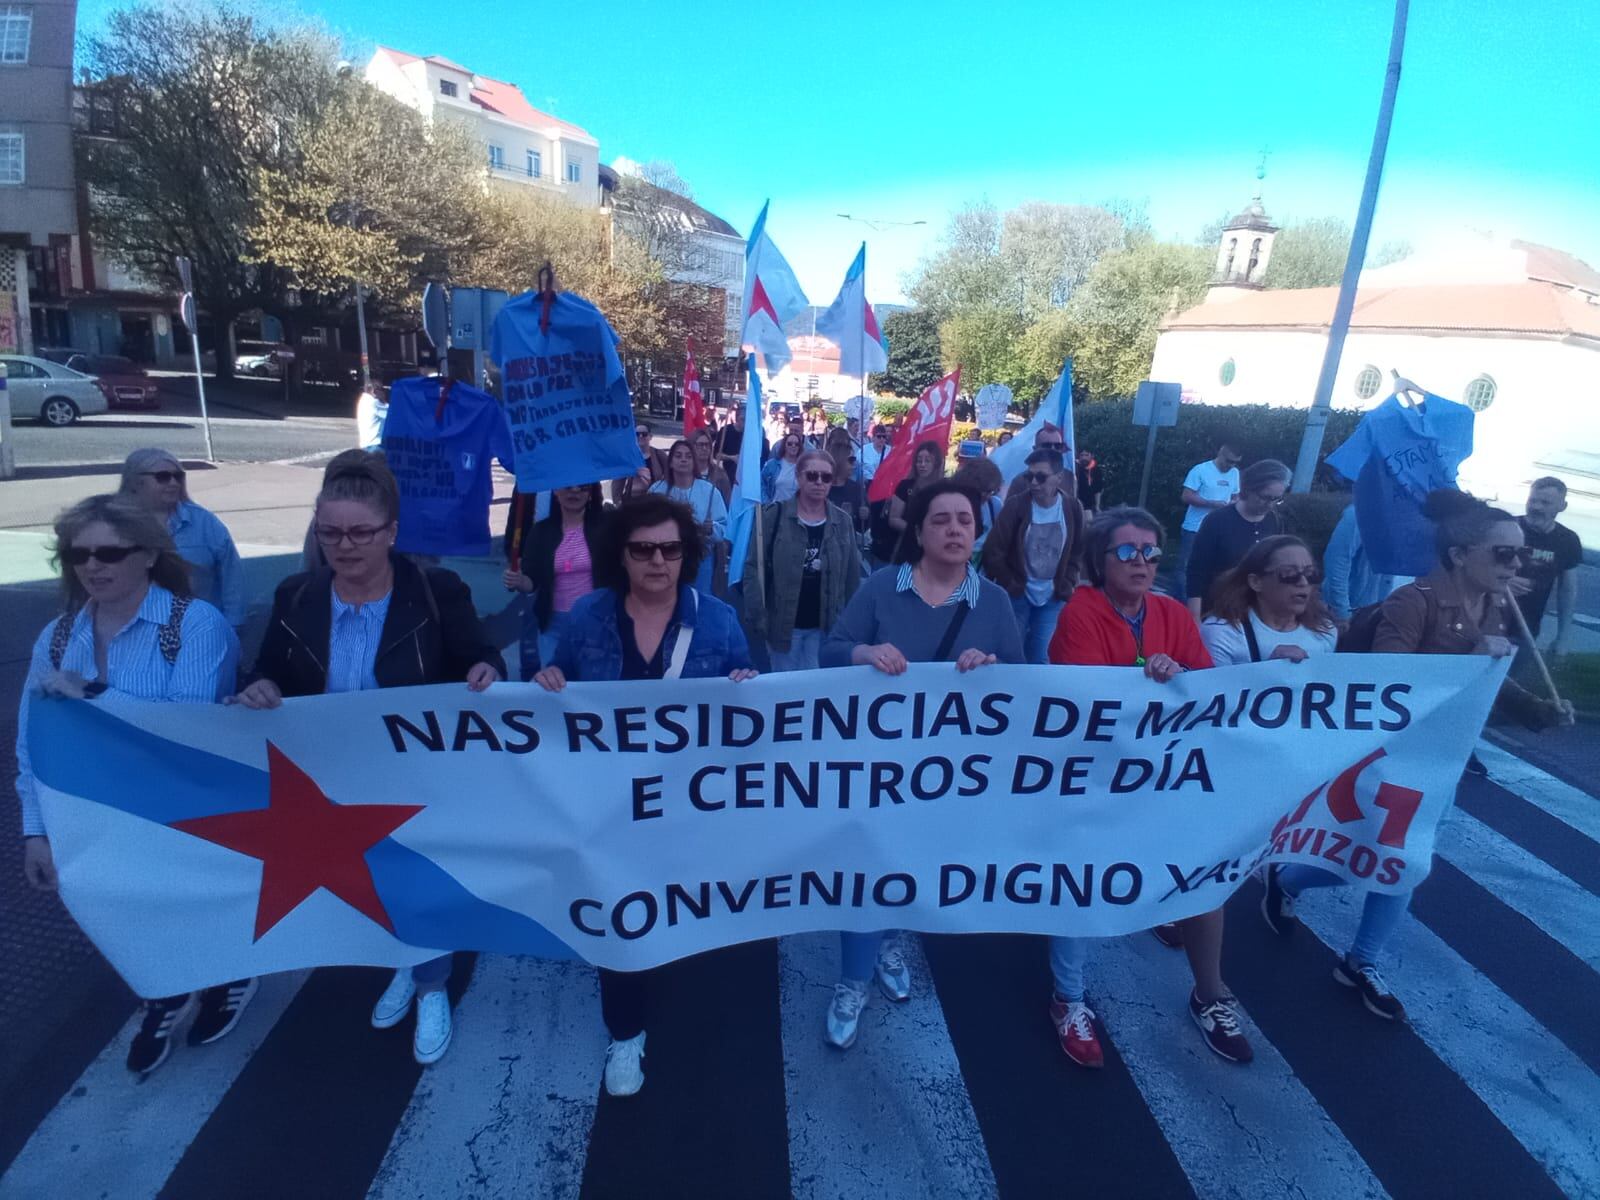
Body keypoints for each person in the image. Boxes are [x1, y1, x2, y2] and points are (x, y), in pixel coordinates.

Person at [230, 455, 504, 1065]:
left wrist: (489, 670)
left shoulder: (436, 592)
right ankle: (402, 966)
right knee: (369, 883)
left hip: (416, 775)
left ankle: (432, 985)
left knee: (418, 881)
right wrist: (258, 686)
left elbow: (478, 655)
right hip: (328, 779)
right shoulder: (296, 595)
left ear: (392, 532)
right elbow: (270, 667)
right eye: (330, 533)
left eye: (360, 533)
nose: (344, 546)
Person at [1261, 490, 1572, 1022]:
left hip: (1438, 762)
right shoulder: (1414, 602)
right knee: (1374, 855)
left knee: (1404, 860)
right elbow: (1389, 685)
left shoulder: (1495, 604)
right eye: (1503, 553)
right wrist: (1470, 659)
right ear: (1459, 554)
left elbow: (1486, 685)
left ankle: (1359, 961)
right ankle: (1289, 880)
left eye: (1518, 554)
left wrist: (1539, 711)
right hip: (1386, 759)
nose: (1516, 564)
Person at [17, 494, 250, 1076]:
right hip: (95, 812)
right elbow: (31, 744)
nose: (93, 565)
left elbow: (185, 732)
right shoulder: (55, 637)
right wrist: (34, 830)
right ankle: (165, 994)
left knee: (196, 901)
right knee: (128, 910)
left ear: (148, 555)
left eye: (110, 552)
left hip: (184, 806)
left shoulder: (193, 625)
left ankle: (229, 977)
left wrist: (92, 695)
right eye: (79, 553)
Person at [532, 495, 757, 1096]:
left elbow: (750, 701)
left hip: (691, 806)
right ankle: (625, 1032)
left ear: (688, 555)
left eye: (671, 549)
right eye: (643, 549)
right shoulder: (586, 618)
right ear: (621, 555)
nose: (658, 560)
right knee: (620, 916)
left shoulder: (718, 621)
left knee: (684, 910)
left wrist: (745, 685)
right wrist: (549, 682)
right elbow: (559, 690)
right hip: (610, 809)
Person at [1046, 507, 1253, 1067]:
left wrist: (1178, 677)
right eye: (1128, 551)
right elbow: (1086, 700)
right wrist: (1151, 681)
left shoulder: (1171, 613)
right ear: (1100, 560)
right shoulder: (1081, 613)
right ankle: (1069, 999)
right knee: (1081, 880)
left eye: (1151, 552)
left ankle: (1210, 995)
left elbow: (1204, 683)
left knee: (1202, 872)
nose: (1142, 562)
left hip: (1165, 773)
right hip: (1096, 777)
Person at [820, 480, 1023, 1048]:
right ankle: (853, 979)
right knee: (867, 868)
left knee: (916, 863)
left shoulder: (995, 602)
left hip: (948, 772)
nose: (956, 529)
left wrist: (992, 666)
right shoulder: (883, 587)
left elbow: (1020, 680)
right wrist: (863, 653)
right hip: (878, 765)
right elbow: (832, 650)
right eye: (942, 519)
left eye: (966, 518)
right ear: (920, 530)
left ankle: (889, 944)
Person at [743, 449, 862, 671]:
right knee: (785, 692)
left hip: (826, 627)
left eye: (826, 477)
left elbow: (851, 577)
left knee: (817, 693)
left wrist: (851, 623)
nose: (819, 482)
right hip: (784, 626)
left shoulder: (843, 522)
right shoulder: (773, 515)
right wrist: (759, 616)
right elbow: (753, 567)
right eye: (812, 475)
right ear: (798, 476)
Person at [120, 448, 244, 629]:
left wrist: (233, 627)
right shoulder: (112, 523)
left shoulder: (204, 522)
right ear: (135, 482)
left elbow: (232, 578)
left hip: (198, 629)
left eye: (178, 476)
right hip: (132, 631)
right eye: (163, 477)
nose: (173, 483)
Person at [982, 449, 1086, 664]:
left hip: (1052, 595)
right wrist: (1010, 584)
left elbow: (1077, 550)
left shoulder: (1072, 507)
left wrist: (1067, 582)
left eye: (1041, 477)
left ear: (1059, 478)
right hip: (1018, 594)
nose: (1034, 483)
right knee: (1011, 656)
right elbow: (994, 549)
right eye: (1029, 476)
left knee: (1041, 657)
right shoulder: (1016, 505)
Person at [503, 483, 608, 679]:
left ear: (591, 492)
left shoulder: (606, 527)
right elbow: (531, 580)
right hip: (553, 625)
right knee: (554, 686)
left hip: (596, 624)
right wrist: (519, 580)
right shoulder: (541, 532)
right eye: (567, 486)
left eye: (583, 487)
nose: (575, 491)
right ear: (555, 491)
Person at [1185, 458, 1290, 619]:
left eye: (1276, 499)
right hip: (1218, 611)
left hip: (1258, 613)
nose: (1270, 505)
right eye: (1265, 497)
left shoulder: (1274, 521)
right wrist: (1194, 619)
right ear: (1247, 490)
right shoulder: (1217, 521)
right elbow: (1196, 572)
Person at [1511, 476, 1582, 659]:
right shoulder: (1508, 528)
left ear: (1562, 506)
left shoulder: (1567, 540)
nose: (1536, 507)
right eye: (1532, 500)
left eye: (1545, 502)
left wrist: (1563, 636)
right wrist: (1503, 581)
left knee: (1508, 685)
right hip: (1487, 622)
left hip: (1527, 629)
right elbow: (1473, 568)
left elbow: (1567, 590)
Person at [649, 439, 729, 594]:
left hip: (700, 559)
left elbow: (725, 527)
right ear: (671, 462)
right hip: (664, 558)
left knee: (696, 603)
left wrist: (711, 529)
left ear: (694, 462)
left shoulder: (709, 491)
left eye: (688, 456)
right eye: (678, 456)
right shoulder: (656, 490)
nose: (683, 459)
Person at [1321, 502, 1406, 630]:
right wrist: (1342, 612)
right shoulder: (1359, 513)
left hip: (1386, 613)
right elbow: (1337, 561)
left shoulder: (1413, 517)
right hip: (1353, 613)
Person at [1176, 441, 1243, 599]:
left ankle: (1205, 602)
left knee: (1213, 567)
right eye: (1229, 461)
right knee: (1186, 567)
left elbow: (1235, 495)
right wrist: (1211, 503)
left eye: (1235, 462)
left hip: (1221, 529)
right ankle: (1181, 603)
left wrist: (1233, 504)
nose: (1231, 465)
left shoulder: (1235, 473)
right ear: (1221, 453)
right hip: (1195, 528)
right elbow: (1186, 496)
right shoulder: (1201, 470)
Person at [886, 440, 947, 544]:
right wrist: (918, 533)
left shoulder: (944, 489)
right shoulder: (905, 486)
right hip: (906, 547)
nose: (922, 465)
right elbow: (894, 519)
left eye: (927, 461)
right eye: (919, 461)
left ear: (936, 463)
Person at [954, 457, 1004, 559]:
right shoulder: (953, 504)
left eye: (991, 491)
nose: (985, 495)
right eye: (981, 490)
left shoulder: (994, 505)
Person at [716, 401, 766, 487]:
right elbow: (716, 455)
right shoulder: (725, 431)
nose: (745, 423)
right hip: (728, 477)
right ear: (737, 418)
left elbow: (762, 456)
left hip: (749, 478)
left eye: (748, 420)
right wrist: (732, 458)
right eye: (743, 419)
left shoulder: (755, 433)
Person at [614, 423, 666, 505]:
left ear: (650, 436)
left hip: (654, 500)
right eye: (637, 434)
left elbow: (670, 476)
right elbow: (618, 481)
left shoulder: (659, 454)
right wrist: (617, 501)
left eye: (644, 434)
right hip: (632, 501)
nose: (640, 436)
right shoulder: (628, 456)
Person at [689, 425, 733, 506]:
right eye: (700, 445)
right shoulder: (684, 472)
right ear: (692, 446)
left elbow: (727, 503)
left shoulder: (720, 475)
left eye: (707, 445)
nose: (704, 448)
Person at [761, 432, 806, 504]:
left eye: (796, 444)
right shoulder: (772, 464)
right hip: (775, 510)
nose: (793, 446)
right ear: (784, 446)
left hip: (796, 510)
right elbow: (761, 484)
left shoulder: (804, 467)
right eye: (790, 443)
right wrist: (766, 503)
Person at [356, 383, 389, 451]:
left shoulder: (364, 400)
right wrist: (384, 400)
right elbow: (392, 413)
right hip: (375, 444)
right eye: (382, 390)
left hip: (366, 443)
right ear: (374, 391)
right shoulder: (374, 403)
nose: (384, 393)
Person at [1075, 448, 1104, 513]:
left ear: (1091, 456)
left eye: (1086, 455)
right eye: (1082, 455)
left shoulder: (1096, 470)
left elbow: (1098, 489)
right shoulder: (1075, 468)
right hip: (1077, 503)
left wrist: (1097, 506)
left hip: (1091, 504)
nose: (1084, 457)